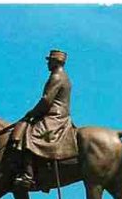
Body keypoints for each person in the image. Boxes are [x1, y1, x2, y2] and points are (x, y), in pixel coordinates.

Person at [12, 49, 78, 190]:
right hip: (56, 114)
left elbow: (47, 100)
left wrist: (32, 112)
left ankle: (28, 176)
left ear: (56, 61)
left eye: (50, 60)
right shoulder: (62, 76)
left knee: (29, 136)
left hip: (54, 116)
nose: (47, 63)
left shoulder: (57, 77)